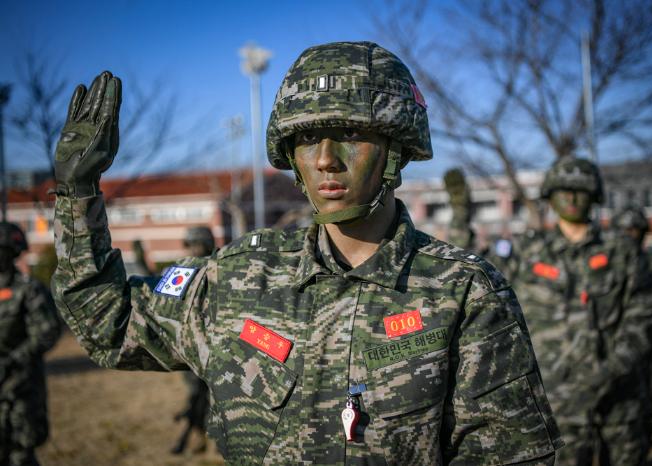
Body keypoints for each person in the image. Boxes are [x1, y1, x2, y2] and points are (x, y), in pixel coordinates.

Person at [50, 42, 562, 464]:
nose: (325, 160)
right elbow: (109, 322)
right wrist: (78, 196)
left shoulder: (463, 292)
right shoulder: (237, 279)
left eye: (351, 134)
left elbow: (512, 455)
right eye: (308, 137)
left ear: (396, 150)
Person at [504, 157, 652, 466]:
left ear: (596, 195)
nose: (572, 198)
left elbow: (643, 316)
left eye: (581, 191)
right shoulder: (527, 254)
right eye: (564, 190)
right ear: (550, 195)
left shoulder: (621, 251)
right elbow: (504, 315)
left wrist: (609, 371)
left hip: (619, 396)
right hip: (558, 401)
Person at [0, 222, 61, 466]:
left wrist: (13, 360)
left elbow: (47, 332)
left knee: (20, 455)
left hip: (19, 389)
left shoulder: (29, 290)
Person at [610, 204, 652, 456]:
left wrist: (638, 317)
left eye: (635, 230)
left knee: (643, 413)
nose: (630, 235)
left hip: (643, 350)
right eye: (625, 230)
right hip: (610, 350)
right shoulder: (605, 266)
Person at [170, 226, 215, 455]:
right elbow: (165, 305)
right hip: (188, 348)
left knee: (216, 398)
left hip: (214, 348)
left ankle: (214, 439)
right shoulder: (180, 270)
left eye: (199, 244)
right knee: (194, 396)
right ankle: (198, 435)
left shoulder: (221, 268)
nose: (195, 250)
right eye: (191, 245)